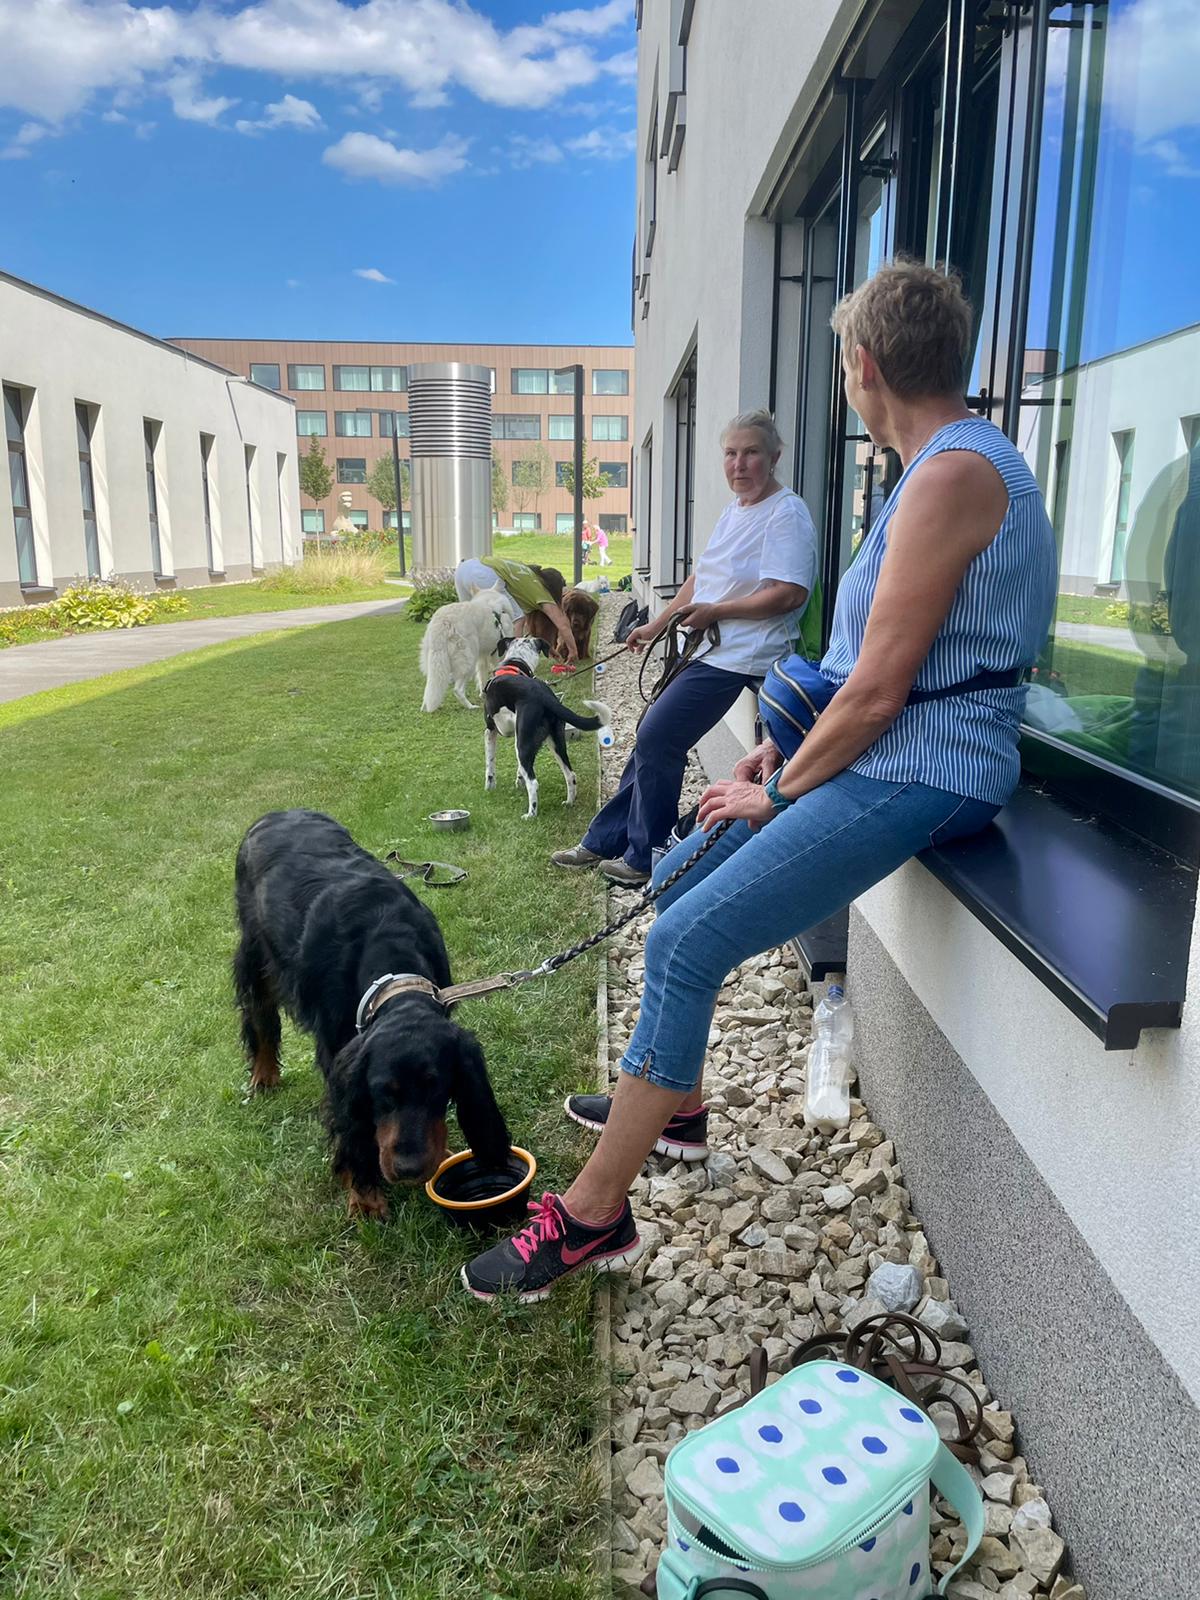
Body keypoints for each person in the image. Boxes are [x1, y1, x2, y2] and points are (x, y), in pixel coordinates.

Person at [463, 261, 1058, 1303]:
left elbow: (881, 693)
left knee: (685, 938)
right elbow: (884, 671)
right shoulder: (937, 468)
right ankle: (677, 1107)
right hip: (887, 749)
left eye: (843, 365)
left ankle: (595, 1216)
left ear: (862, 365)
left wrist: (778, 795)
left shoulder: (954, 475)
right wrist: (786, 754)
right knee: (679, 874)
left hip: (934, 767)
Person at [550, 409, 817, 887]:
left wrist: (716, 612)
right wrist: (655, 625)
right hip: (709, 650)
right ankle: (607, 839)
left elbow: (789, 593)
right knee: (651, 736)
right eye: (731, 453)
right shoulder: (735, 510)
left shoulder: (786, 513)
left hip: (743, 654)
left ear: (775, 457)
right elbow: (701, 579)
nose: (739, 463)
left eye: (751, 453)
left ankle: (645, 857)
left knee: (658, 736)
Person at [454, 553, 578, 665]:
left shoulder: (527, 579)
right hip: (484, 573)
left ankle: (458, 660)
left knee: (467, 621)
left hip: (464, 569)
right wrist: (573, 651)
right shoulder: (541, 592)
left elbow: (533, 628)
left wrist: (548, 648)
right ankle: (513, 660)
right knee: (518, 618)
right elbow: (563, 625)